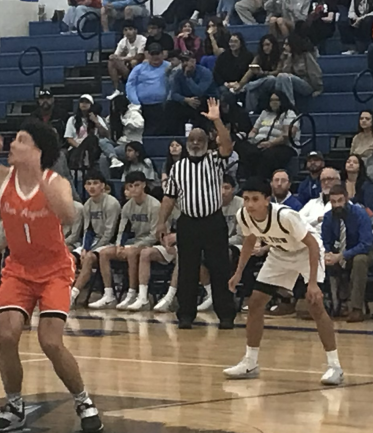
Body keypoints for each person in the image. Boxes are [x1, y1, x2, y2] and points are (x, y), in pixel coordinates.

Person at [0, 124, 104, 433]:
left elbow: (68, 215)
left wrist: (37, 173)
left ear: (38, 151)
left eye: (22, 141)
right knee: (7, 335)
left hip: (54, 270)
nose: (13, 144)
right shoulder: (0, 177)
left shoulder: (56, 182)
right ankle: (14, 406)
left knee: (50, 341)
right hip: (18, 269)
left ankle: (83, 401)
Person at [222, 179, 346, 385]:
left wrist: (313, 283)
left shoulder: (285, 216)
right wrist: (238, 273)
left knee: (315, 306)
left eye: (255, 199)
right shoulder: (244, 215)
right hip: (280, 253)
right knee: (255, 302)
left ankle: (335, 367)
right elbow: (249, 241)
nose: (250, 204)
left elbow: (313, 245)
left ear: (267, 200)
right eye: (246, 199)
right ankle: (250, 361)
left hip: (307, 252)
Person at [156, 103, 238, 329]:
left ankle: (226, 315)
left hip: (213, 221)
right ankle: (185, 315)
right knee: (187, 270)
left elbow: (228, 146)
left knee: (219, 268)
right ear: (186, 143)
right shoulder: (178, 167)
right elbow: (169, 197)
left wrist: (216, 120)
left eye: (199, 140)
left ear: (206, 143)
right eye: (191, 140)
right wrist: (161, 222)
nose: (195, 143)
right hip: (188, 223)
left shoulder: (214, 159)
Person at [94, 172, 161, 310]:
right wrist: (119, 245)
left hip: (151, 243)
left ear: (144, 185)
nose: (133, 189)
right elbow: (122, 230)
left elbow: (155, 235)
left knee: (131, 253)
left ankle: (131, 293)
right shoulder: (127, 206)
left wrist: (135, 246)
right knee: (104, 253)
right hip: (134, 241)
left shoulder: (154, 205)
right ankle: (108, 294)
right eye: (130, 186)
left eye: (137, 185)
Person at [319, 184, 373, 323]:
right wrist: (328, 254)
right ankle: (325, 306)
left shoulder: (360, 214)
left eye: (340, 200)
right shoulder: (328, 217)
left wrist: (342, 256)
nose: (337, 205)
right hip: (339, 252)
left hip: (366, 252)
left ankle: (356, 309)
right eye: (333, 202)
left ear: (346, 199)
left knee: (359, 260)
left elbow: (366, 244)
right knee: (318, 258)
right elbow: (325, 240)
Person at [70, 173, 121, 305]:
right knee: (69, 257)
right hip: (96, 242)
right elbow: (89, 230)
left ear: (103, 186)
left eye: (95, 183)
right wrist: (85, 248)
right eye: (88, 183)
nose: (92, 187)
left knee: (88, 258)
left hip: (112, 242)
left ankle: (72, 295)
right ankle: (62, 291)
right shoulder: (87, 204)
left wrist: (90, 250)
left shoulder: (112, 203)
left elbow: (110, 233)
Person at [240, 93, 300, 181]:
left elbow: (287, 135)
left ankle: (262, 180)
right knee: (246, 150)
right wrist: (251, 140)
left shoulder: (289, 114)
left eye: (277, 100)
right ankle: (248, 180)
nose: (274, 102)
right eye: (272, 100)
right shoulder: (265, 113)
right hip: (260, 142)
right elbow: (254, 130)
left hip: (283, 145)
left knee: (267, 155)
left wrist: (270, 143)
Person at [107, 24, 146, 93]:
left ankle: (135, 83)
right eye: (125, 30)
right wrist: (112, 56)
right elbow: (116, 55)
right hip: (126, 66)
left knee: (134, 62)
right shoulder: (123, 41)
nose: (128, 32)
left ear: (136, 31)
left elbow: (140, 56)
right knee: (111, 61)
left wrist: (123, 58)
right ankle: (117, 89)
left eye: (130, 29)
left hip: (139, 64)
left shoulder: (142, 39)